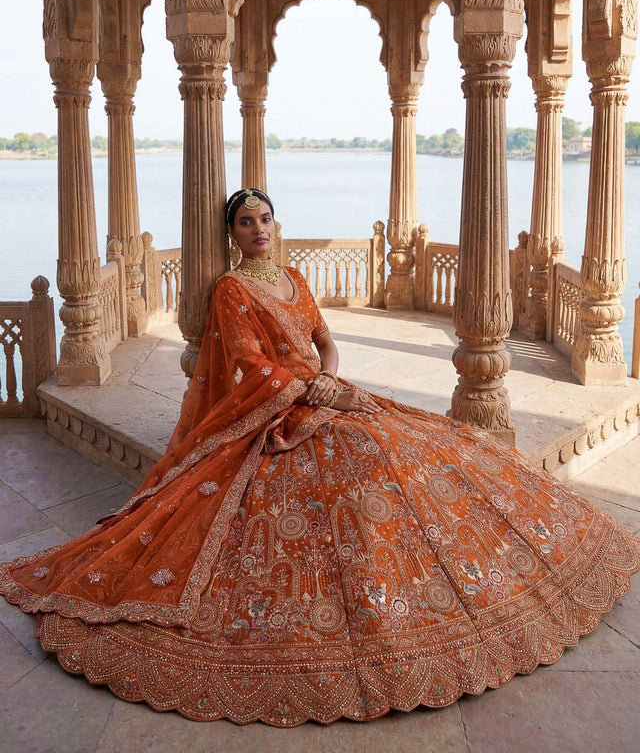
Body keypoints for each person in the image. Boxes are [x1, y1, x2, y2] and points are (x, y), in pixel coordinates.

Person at [1, 187, 638, 728]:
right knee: (353, 466)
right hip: (278, 409)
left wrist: (330, 380)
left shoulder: (295, 279)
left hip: (323, 391)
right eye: (245, 222)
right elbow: (252, 366)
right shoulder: (231, 290)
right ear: (231, 233)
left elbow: (324, 342)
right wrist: (313, 393)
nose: (258, 229)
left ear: (275, 225)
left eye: (265, 219)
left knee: (410, 445)